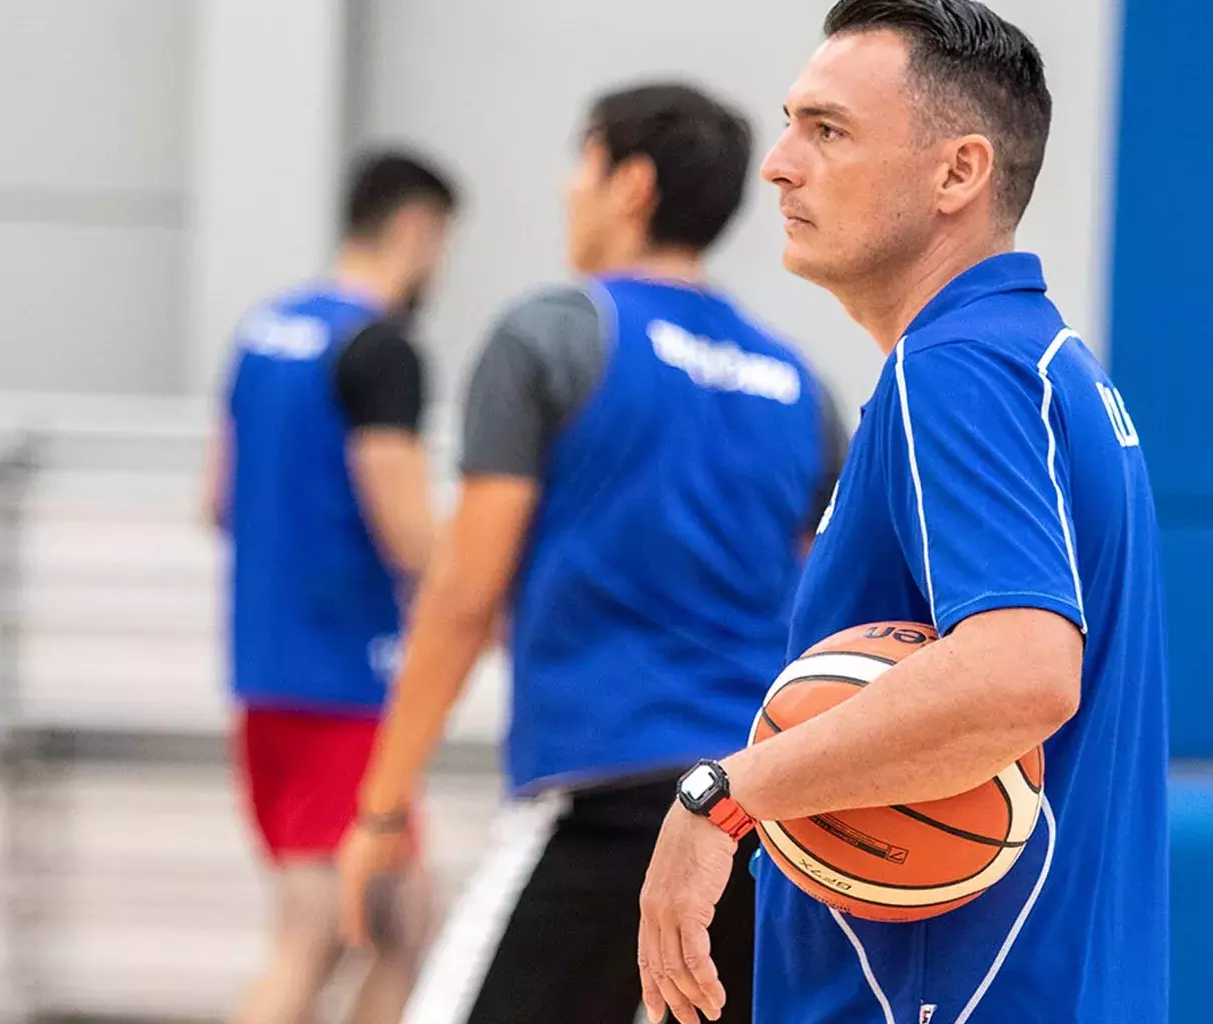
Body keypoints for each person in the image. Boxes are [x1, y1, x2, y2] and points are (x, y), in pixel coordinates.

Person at [635, 2, 1170, 1023]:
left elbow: (1019, 672)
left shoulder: (958, 372)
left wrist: (723, 795)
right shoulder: (1045, 365)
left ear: (958, 172)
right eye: (790, 123)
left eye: (827, 130)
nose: (780, 165)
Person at [333, 83, 848, 1024]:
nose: (568, 191)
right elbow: (831, 621)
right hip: (753, 819)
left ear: (631, 185)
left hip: (600, 804)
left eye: (581, 165)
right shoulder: (801, 388)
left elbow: (460, 594)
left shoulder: (554, 337)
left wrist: (380, 804)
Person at [205, 149, 459, 1024]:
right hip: (343, 684)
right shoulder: (379, 349)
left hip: (265, 678)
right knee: (318, 927)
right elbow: (409, 533)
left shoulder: (263, 332)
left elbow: (214, 499)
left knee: (400, 923)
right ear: (417, 229)